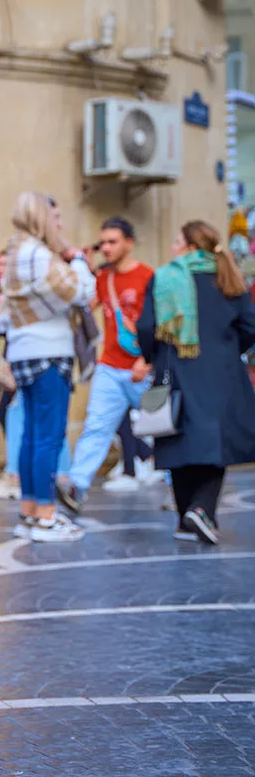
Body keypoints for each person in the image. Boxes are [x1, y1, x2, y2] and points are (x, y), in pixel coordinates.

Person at [137, 220, 255, 544]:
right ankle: (201, 513)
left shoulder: (164, 277)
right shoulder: (228, 277)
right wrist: (230, 351)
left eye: (177, 241)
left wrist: (152, 356)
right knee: (218, 443)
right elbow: (250, 325)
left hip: (173, 369)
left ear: (190, 246)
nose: (173, 248)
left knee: (176, 439)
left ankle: (189, 516)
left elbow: (147, 326)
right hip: (222, 372)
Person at [3, 192, 95, 541]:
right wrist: (80, 262)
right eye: (55, 218)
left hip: (24, 352)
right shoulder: (40, 255)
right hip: (49, 353)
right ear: (41, 218)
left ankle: (29, 513)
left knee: (31, 436)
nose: (60, 225)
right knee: (49, 437)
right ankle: (45, 516)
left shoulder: (16, 253)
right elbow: (81, 292)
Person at [57, 217, 154, 513]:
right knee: (96, 426)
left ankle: (185, 493)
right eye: (104, 243)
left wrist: (147, 361)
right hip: (110, 367)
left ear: (129, 243)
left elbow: (160, 324)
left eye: (113, 242)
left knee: (164, 430)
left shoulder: (148, 276)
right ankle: (77, 486)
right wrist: (83, 267)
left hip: (142, 368)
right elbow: (84, 307)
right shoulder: (103, 277)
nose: (107, 248)